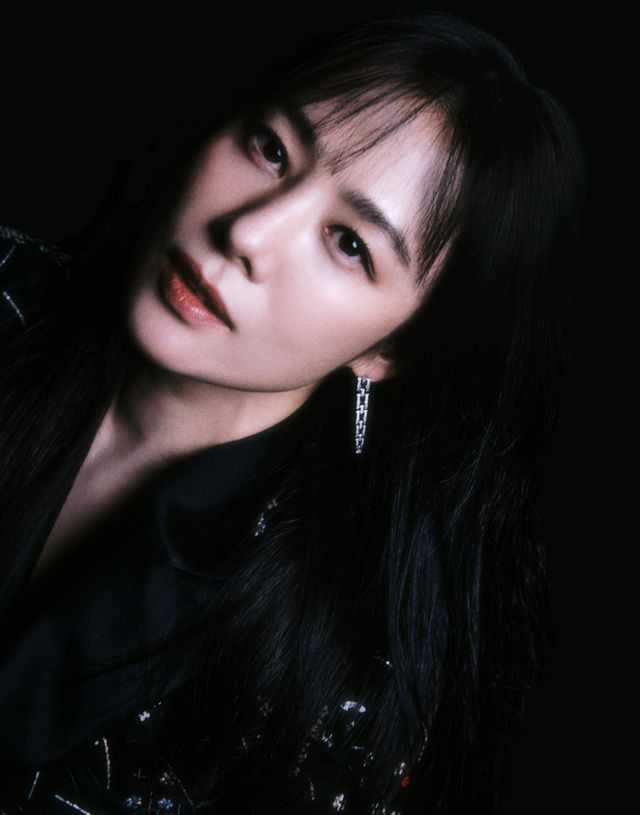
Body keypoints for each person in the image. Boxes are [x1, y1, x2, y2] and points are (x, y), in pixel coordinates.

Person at [0, 9, 586, 814]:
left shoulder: (324, 691)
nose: (247, 232)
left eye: (349, 243)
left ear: (391, 350)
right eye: (272, 149)